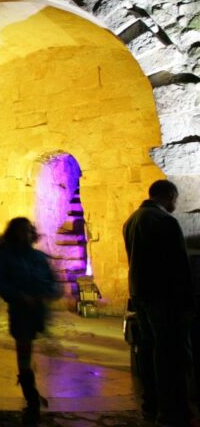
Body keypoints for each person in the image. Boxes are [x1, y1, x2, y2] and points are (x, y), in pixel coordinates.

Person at [123, 179, 195, 426]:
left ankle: (150, 404)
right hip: (164, 297)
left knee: (148, 348)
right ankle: (172, 410)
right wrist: (187, 304)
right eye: (175, 199)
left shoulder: (131, 220)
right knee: (169, 354)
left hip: (140, 293)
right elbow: (179, 266)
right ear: (170, 196)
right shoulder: (165, 221)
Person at [0, 217, 58, 426]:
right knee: (24, 352)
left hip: (37, 312)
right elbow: (0, 283)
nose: (26, 235)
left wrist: (46, 293)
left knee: (27, 350)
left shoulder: (38, 257)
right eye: (22, 231)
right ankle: (31, 396)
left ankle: (31, 394)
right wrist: (20, 296)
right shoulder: (6, 257)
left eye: (28, 231)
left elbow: (52, 282)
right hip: (20, 313)